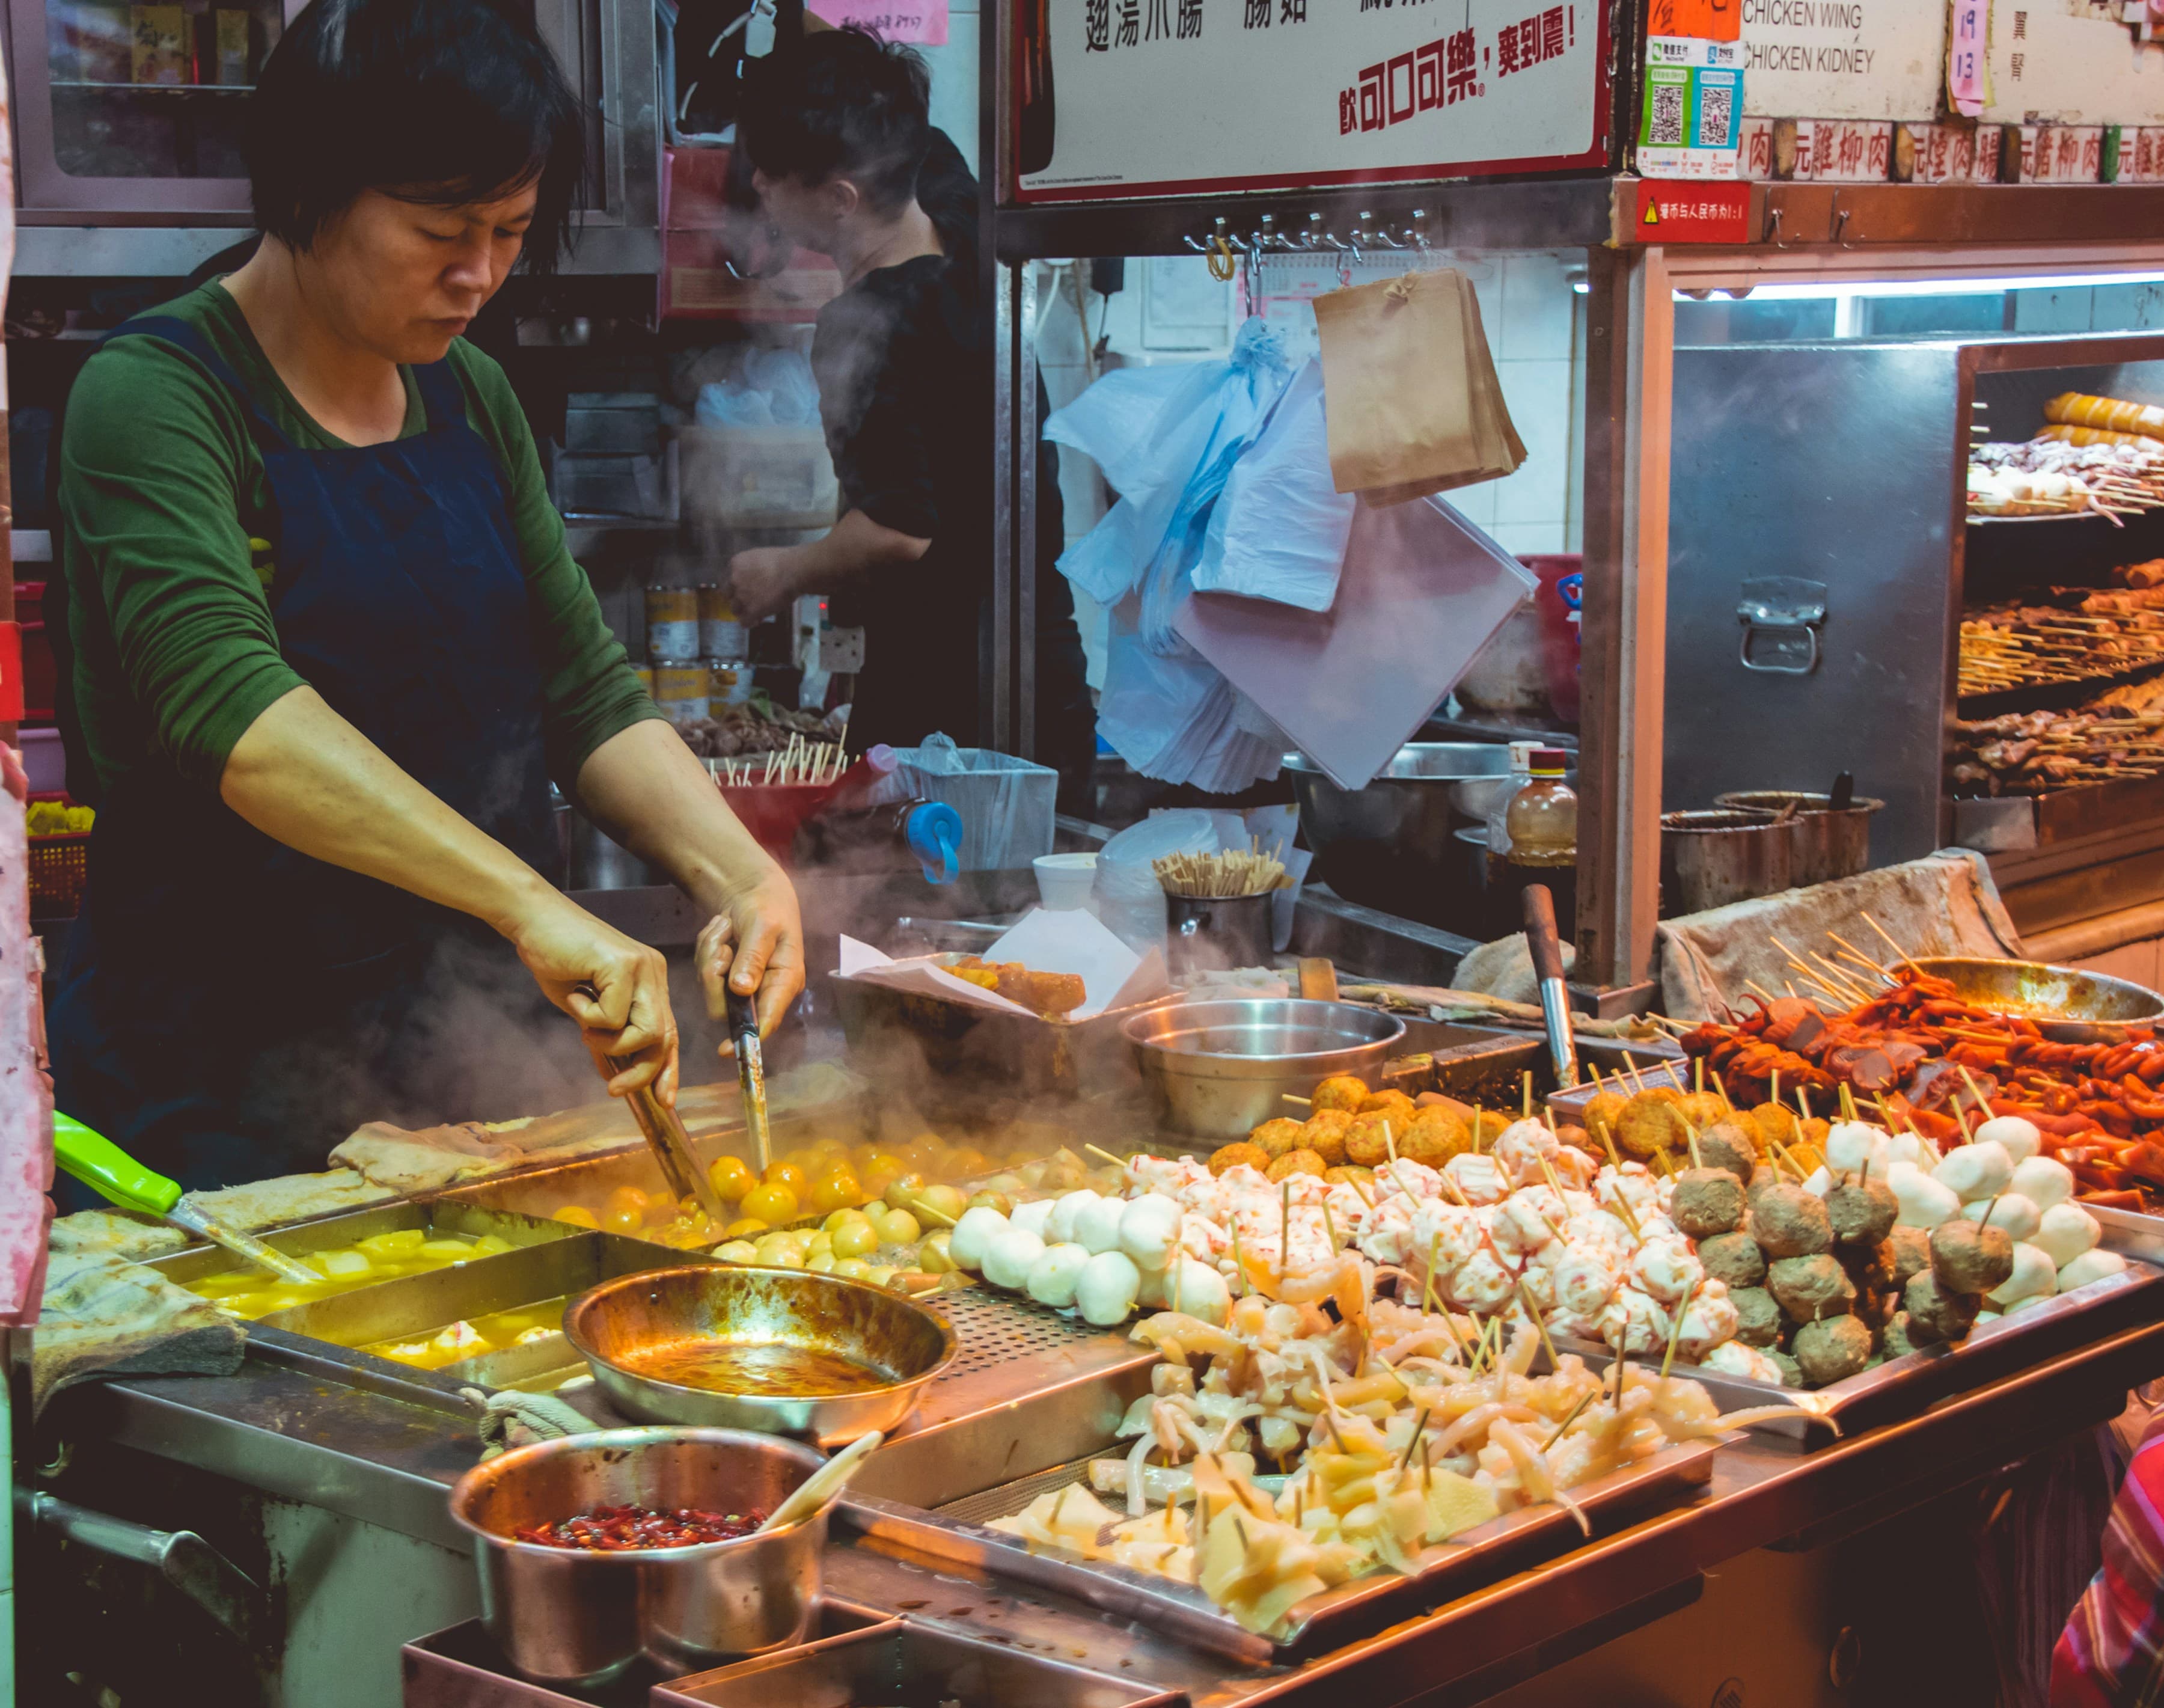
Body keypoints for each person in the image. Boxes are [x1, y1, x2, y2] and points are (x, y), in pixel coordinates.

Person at [49, 0, 803, 1190]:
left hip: (471, 1064)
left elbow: (584, 688)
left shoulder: (470, 397)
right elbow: (237, 718)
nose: (482, 275)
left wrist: (744, 875)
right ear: (307, 191)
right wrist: (529, 905)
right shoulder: (156, 399)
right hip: (220, 1085)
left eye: (509, 232)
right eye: (441, 231)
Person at [722, 31, 1095, 804]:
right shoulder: (960, 213)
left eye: (774, 174)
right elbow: (910, 129)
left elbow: (898, 529)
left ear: (840, 200)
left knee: (915, 919)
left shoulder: (862, 327)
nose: (757, 182)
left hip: (942, 721)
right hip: (1046, 680)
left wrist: (779, 574)